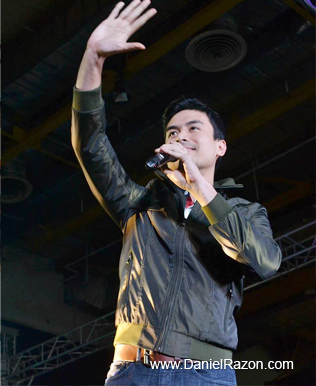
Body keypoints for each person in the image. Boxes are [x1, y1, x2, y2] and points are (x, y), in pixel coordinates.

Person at [71, 1, 282, 385]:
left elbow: (263, 261)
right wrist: (93, 60)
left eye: (193, 129)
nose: (180, 135)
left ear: (220, 147)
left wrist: (197, 187)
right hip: (132, 370)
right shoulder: (139, 203)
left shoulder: (246, 211)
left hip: (205, 374)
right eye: (172, 132)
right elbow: (90, 145)